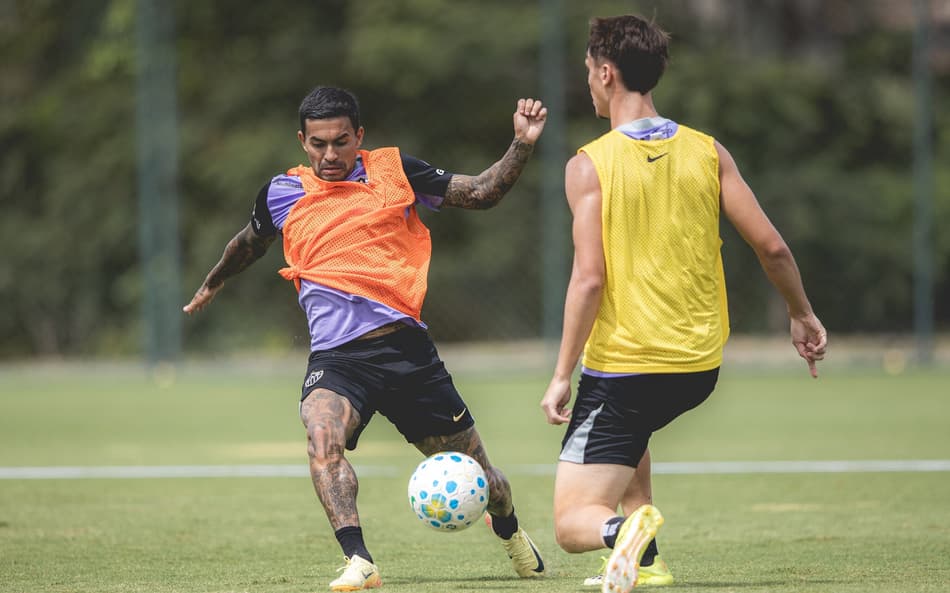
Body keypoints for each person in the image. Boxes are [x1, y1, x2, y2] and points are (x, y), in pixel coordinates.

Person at [184, 86, 548, 591]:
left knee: (484, 479)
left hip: (406, 355)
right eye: (317, 144)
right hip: (338, 360)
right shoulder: (282, 192)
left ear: (360, 136)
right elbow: (248, 242)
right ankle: (360, 560)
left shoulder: (395, 171)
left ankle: (511, 533)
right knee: (321, 435)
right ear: (302, 141)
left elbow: (483, 192)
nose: (329, 155)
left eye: (339, 142)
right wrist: (213, 280)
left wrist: (522, 143)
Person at [539, 15, 828, 593]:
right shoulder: (707, 150)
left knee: (571, 525)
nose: (590, 85)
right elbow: (770, 245)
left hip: (626, 370)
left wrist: (561, 373)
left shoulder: (588, 165)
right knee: (632, 432)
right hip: (698, 366)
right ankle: (650, 564)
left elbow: (588, 281)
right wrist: (801, 313)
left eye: (590, 74)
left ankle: (624, 532)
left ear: (606, 72)